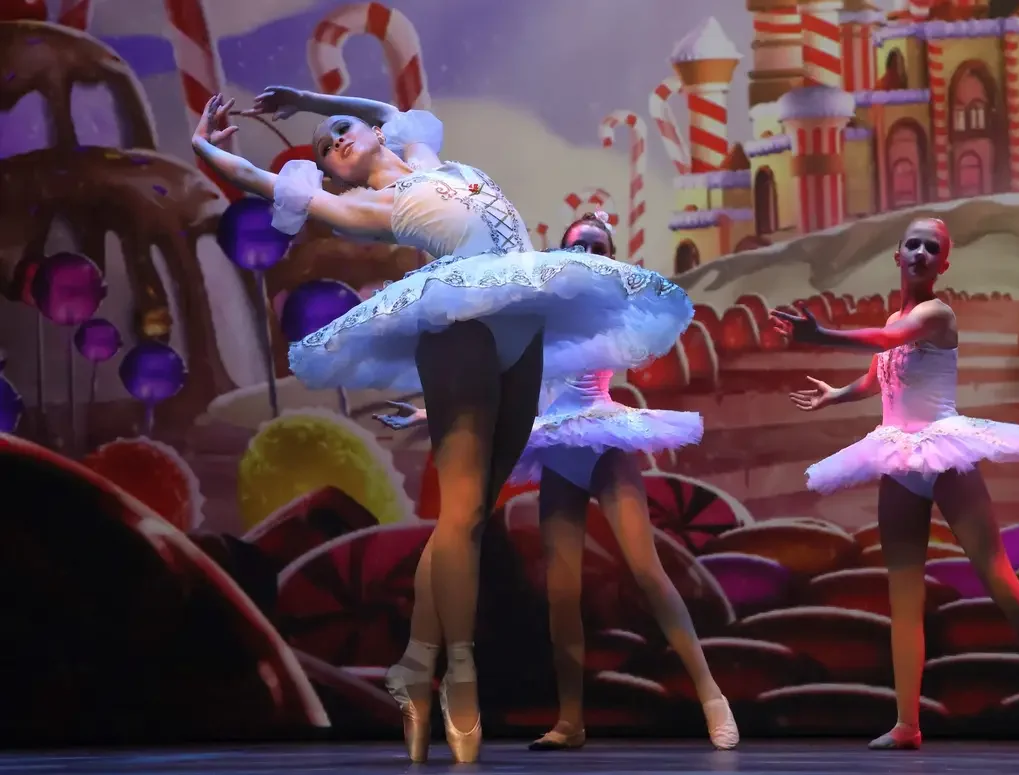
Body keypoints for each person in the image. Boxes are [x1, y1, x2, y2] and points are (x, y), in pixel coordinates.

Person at [197, 87, 693, 763]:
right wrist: (205, 148)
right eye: (324, 150)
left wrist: (306, 99)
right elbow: (258, 179)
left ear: (373, 134)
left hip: (524, 322)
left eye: (340, 130)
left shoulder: (431, 158)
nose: (334, 140)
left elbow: (379, 110)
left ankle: (413, 665)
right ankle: (458, 676)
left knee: (474, 515)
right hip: (459, 326)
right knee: (461, 514)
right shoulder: (369, 206)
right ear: (333, 174)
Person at [380, 213, 739, 752]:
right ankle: (571, 720)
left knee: (647, 570)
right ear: (560, 251)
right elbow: (499, 385)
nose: (588, 255)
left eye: (598, 248)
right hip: (553, 443)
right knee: (562, 593)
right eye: (578, 246)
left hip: (602, 436)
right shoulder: (537, 312)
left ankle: (712, 696)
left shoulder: (614, 305)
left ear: (611, 257)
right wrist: (431, 413)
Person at [770, 217, 1019, 753]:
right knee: (904, 599)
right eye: (913, 244)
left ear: (943, 264)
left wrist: (822, 335)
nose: (921, 252)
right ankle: (907, 723)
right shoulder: (896, 317)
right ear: (897, 255)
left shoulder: (936, 314)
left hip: (944, 452)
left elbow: (890, 340)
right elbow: (880, 371)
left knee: (999, 578)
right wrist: (837, 395)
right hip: (899, 456)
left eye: (932, 247)